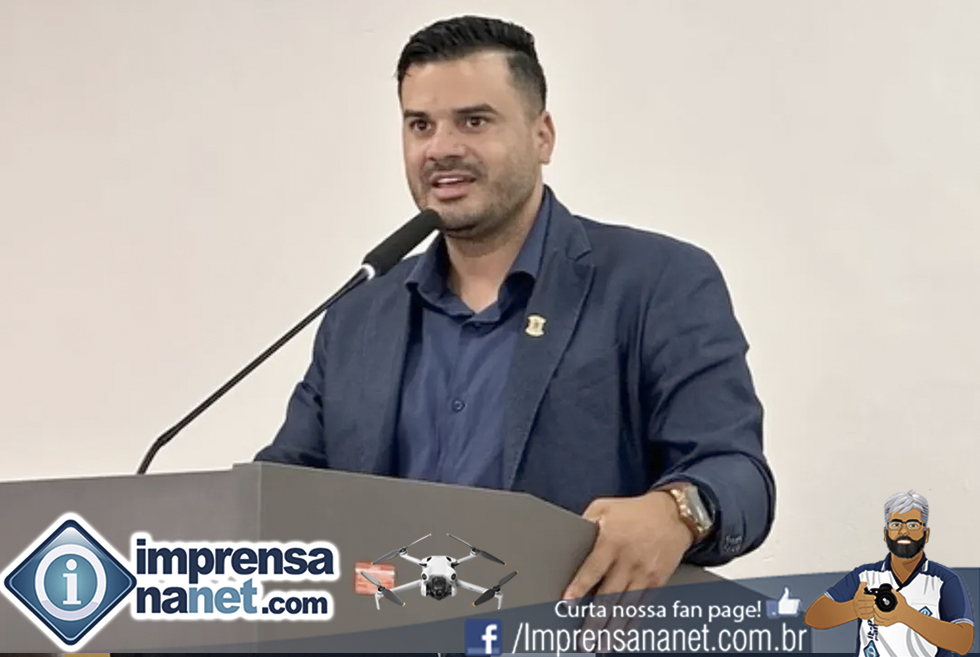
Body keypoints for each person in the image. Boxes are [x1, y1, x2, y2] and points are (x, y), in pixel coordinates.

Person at [255, 14, 775, 600]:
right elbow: (277, 494)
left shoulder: (658, 282)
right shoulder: (359, 314)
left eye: (474, 121)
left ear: (542, 135)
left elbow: (737, 474)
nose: (441, 149)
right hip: (380, 626)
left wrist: (675, 511)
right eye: (420, 125)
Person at [804, 491, 975, 656]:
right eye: (896, 524)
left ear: (926, 533)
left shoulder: (944, 580)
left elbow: (964, 642)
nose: (903, 531)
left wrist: (906, 615)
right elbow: (814, 617)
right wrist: (854, 609)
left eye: (913, 525)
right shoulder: (865, 575)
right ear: (886, 533)